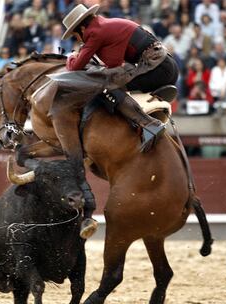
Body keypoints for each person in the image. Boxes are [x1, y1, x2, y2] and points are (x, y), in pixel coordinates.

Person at [50, 4, 179, 238]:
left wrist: (71, 58)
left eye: (75, 35)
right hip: (160, 64)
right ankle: (142, 115)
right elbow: (112, 62)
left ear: (80, 28)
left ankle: (148, 124)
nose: (77, 39)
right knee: (108, 80)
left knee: (104, 85)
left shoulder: (94, 33)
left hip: (155, 68)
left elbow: (80, 67)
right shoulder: (102, 26)